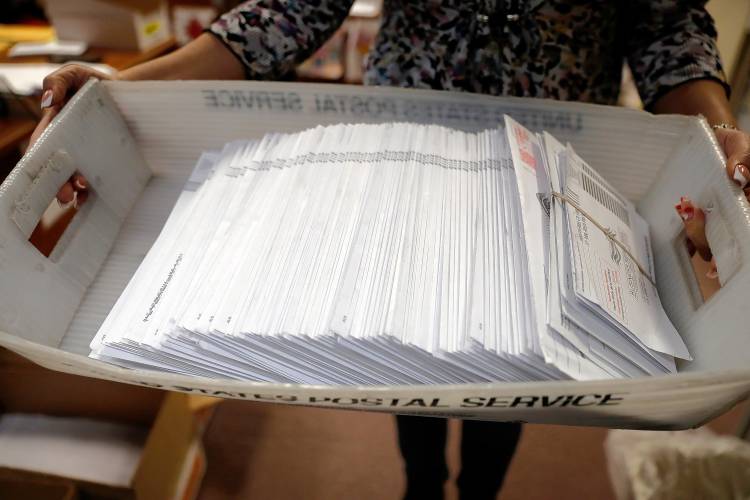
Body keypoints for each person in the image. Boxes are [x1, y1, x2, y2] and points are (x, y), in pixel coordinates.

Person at [30, 1, 750, 499]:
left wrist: (718, 134)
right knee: (408, 329)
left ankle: (479, 489)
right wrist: (125, 89)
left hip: (554, 155)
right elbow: (286, 15)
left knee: (536, 351)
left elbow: (668, 30)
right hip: (403, 139)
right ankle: (423, 482)